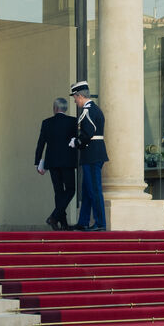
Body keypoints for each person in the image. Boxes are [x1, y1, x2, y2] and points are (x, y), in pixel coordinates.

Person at [35, 97, 77, 230]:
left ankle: (60, 221)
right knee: (70, 190)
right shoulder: (73, 121)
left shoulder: (46, 122)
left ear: (54, 108)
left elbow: (41, 143)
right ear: (66, 108)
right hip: (68, 162)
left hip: (52, 162)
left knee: (58, 192)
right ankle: (56, 218)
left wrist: (38, 162)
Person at [71, 81, 107, 231]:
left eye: (75, 97)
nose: (75, 101)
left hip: (92, 155)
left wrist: (77, 142)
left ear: (79, 96)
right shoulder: (93, 109)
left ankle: (100, 223)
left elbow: (88, 133)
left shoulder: (88, 110)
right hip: (92, 154)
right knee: (87, 190)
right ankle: (83, 221)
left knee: (94, 190)